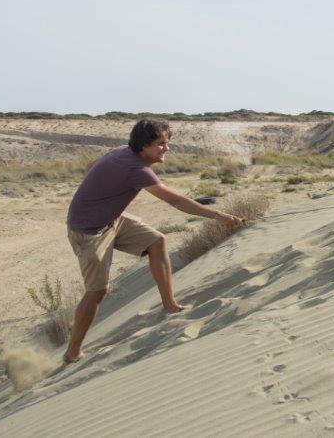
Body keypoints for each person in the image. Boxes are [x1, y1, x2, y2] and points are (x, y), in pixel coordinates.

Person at [62, 118, 242, 363]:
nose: (166, 148)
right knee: (97, 291)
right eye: (160, 144)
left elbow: (91, 166)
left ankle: (169, 305)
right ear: (143, 146)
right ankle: (73, 352)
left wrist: (99, 193)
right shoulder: (136, 169)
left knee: (156, 241)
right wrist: (220, 216)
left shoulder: (122, 152)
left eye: (167, 142)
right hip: (88, 231)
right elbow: (176, 201)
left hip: (112, 220)